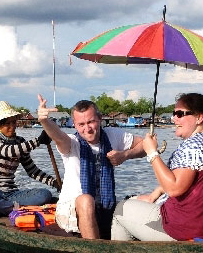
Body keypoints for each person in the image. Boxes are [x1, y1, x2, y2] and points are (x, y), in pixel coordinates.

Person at [111, 93, 203, 242]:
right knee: (137, 199)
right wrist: (157, 192)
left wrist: (151, 152)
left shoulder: (193, 146)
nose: (174, 118)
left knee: (121, 209)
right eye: (174, 114)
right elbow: (192, 181)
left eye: (180, 114)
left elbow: (175, 189)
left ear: (199, 118)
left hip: (188, 230)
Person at [36, 94, 145, 239]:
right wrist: (45, 121)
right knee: (86, 199)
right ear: (74, 125)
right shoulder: (72, 143)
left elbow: (147, 145)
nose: (87, 128)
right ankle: (95, 252)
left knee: (145, 199)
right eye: (81, 124)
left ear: (100, 119)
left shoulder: (112, 136)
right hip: (72, 209)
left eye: (91, 122)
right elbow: (58, 136)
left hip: (104, 206)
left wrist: (125, 155)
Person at [0, 100, 58, 219]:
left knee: (45, 194)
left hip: (11, 194)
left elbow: (32, 171)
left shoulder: (20, 142)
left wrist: (54, 182)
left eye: (13, 122)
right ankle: (16, 209)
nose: (12, 127)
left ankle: (3, 210)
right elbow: (9, 151)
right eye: (7, 124)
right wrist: (38, 141)